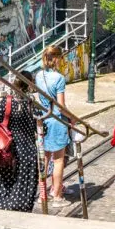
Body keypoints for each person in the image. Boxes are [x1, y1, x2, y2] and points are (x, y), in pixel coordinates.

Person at [0, 71, 40, 212]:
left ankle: (0, 203)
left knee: (5, 178)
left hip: (8, 149)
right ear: (28, 85)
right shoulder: (30, 104)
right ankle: (20, 206)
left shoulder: (7, 102)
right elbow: (40, 127)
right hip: (27, 150)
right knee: (24, 180)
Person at [35, 46, 72, 204]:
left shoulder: (38, 75)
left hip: (43, 121)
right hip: (57, 121)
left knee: (45, 159)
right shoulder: (59, 78)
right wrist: (72, 118)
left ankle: (43, 193)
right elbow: (61, 105)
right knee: (58, 161)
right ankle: (57, 195)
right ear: (56, 58)